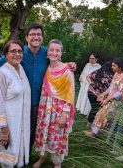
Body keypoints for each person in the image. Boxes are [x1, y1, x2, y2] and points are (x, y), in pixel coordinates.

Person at [0, 23, 76, 152]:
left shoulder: (47, 53)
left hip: (38, 103)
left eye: (39, 34)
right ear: (27, 37)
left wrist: (69, 64)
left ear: (42, 38)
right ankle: (10, 152)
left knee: (32, 129)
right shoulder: (19, 52)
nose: (36, 37)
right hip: (18, 100)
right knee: (16, 127)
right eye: (32, 34)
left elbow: (58, 64)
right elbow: (0, 62)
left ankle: (25, 154)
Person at [0, 40, 31, 168]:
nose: (17, 54)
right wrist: (4, 131)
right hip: (6, 123)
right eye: (13, 51)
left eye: (20, 51)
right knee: (3, 157)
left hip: (17, 121)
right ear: (6, 54)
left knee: (2, 157)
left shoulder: (20, 69)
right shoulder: (2, 73)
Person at [33, 39, 75, 168]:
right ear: (47, 52)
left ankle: (57, 162)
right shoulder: (47, 67)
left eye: (57, 50)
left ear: (61, 53)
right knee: (44, 133)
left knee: (57, 135)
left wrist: (64, 115)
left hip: (59, 111)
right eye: (51, 50)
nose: (54, 52)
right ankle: (42, 157)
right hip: (45, 108)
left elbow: (70, 95)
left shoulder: (67, 71)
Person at [84, 58, 123, 137]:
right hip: (109, 99)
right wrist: (104, 94)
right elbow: (111, 87)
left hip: (117, 101)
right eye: (112, 65)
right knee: (101, 115)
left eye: (114, 66)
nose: (112, 67)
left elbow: (120, 92)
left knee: (108, 118)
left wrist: (108, 99)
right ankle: (96, 133)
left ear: (120, 67)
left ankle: (102, 134)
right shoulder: (116, 73)